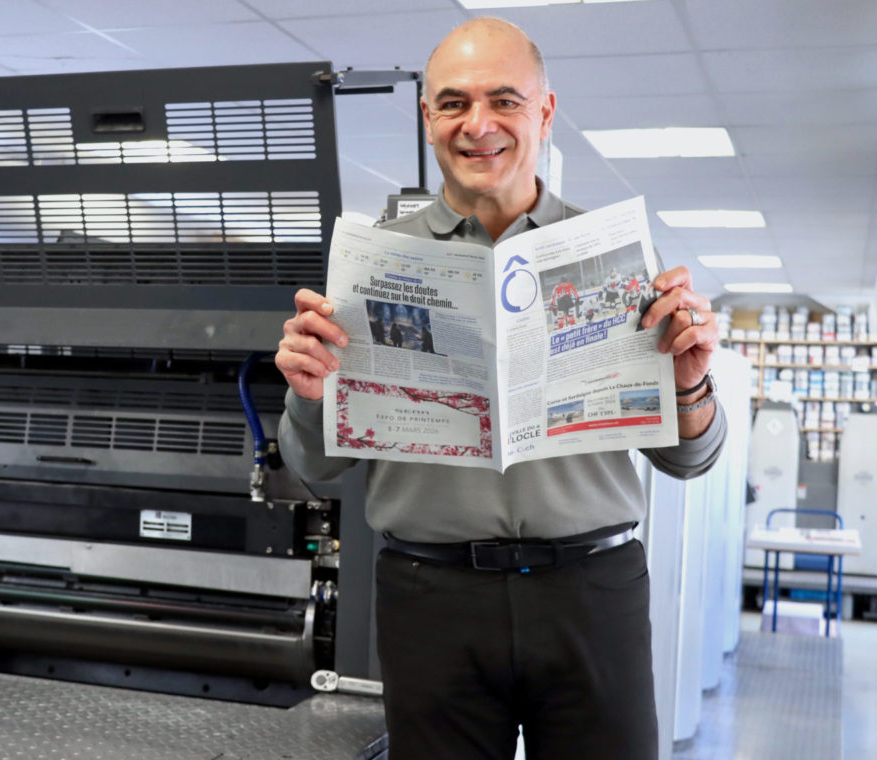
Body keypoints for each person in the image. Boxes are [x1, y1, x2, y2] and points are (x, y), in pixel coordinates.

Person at [275, 17, 724, 760]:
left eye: (504, 101)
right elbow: (315, 467)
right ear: (427, 118)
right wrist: (308, 392)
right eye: (452, 103)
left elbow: (691, 460)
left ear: (545, 112)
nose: (477, 125)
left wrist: (689, 385)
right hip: (432, 596)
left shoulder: (619, 260)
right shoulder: (369, 270)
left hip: (593, 590)